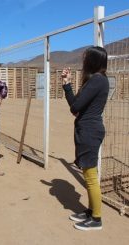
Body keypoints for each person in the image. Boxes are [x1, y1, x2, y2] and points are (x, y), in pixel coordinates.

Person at [61, 46, 109, 231]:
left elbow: (75, 107)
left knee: (90, 176)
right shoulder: (96, 80)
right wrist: (67, 84)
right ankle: (91, 211)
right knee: (89, 174)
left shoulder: (97, 80)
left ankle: (96, 219)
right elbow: (77, 106)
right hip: (87, 129)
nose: (83, 61)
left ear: (92, 61)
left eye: (85, 58)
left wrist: (68, 86)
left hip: (90, 131)